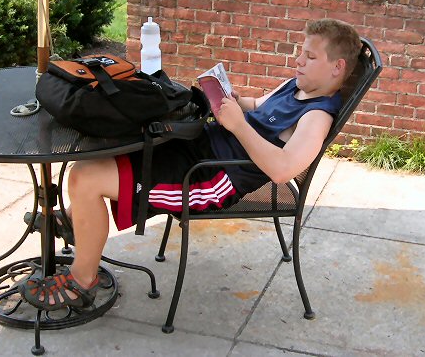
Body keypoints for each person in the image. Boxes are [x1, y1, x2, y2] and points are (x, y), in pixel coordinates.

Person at [18, 19, 362, 311]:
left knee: (85, 178)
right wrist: (233, 100)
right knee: (106, 148)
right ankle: (80, 221)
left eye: (310, 56)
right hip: (201, 147)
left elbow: (282, 170)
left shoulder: (316, 117)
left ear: (337, 67)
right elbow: (258, 105)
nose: (298, 60)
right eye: (301, 52)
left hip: (210, 179)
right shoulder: (297, 86)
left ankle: (82, 282)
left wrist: (237, 125)